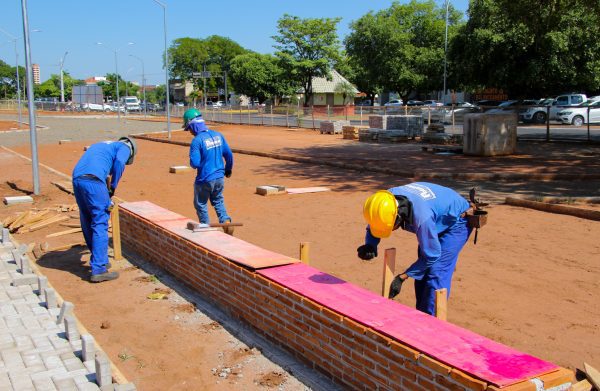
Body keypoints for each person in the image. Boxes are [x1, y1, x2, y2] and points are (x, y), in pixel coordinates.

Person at [357, 182, 472, 315]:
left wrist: (402, 277)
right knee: (422, 274)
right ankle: (421, 315)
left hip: (457, 222)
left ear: (398, 218)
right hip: (437, 212)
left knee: (436, 270)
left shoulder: (422, 218)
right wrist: (370, 244)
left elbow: (432, 255)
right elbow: (376, 222)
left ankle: (432, 324)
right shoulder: (385, 201)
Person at [72, 137, 137, 283]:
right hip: (93, 181)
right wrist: (113, 187)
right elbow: (120, 162)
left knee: (87, 219)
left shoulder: (101, 145)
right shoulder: (124, 147)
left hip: (77, 179)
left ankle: (99, 259)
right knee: (100, 222)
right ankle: (99, 269)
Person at [183, 108, 234, 230]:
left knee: (200, 204)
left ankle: (205, 227)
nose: (189, 132)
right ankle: (226, 221)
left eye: (189, 128)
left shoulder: (197, 141)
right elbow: (229, 154)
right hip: (219, 177)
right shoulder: (218, 135)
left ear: (193, 126)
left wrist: (191, 159)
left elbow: (194, 163)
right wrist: (228, 169)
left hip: (204, 179)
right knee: (218, 200)